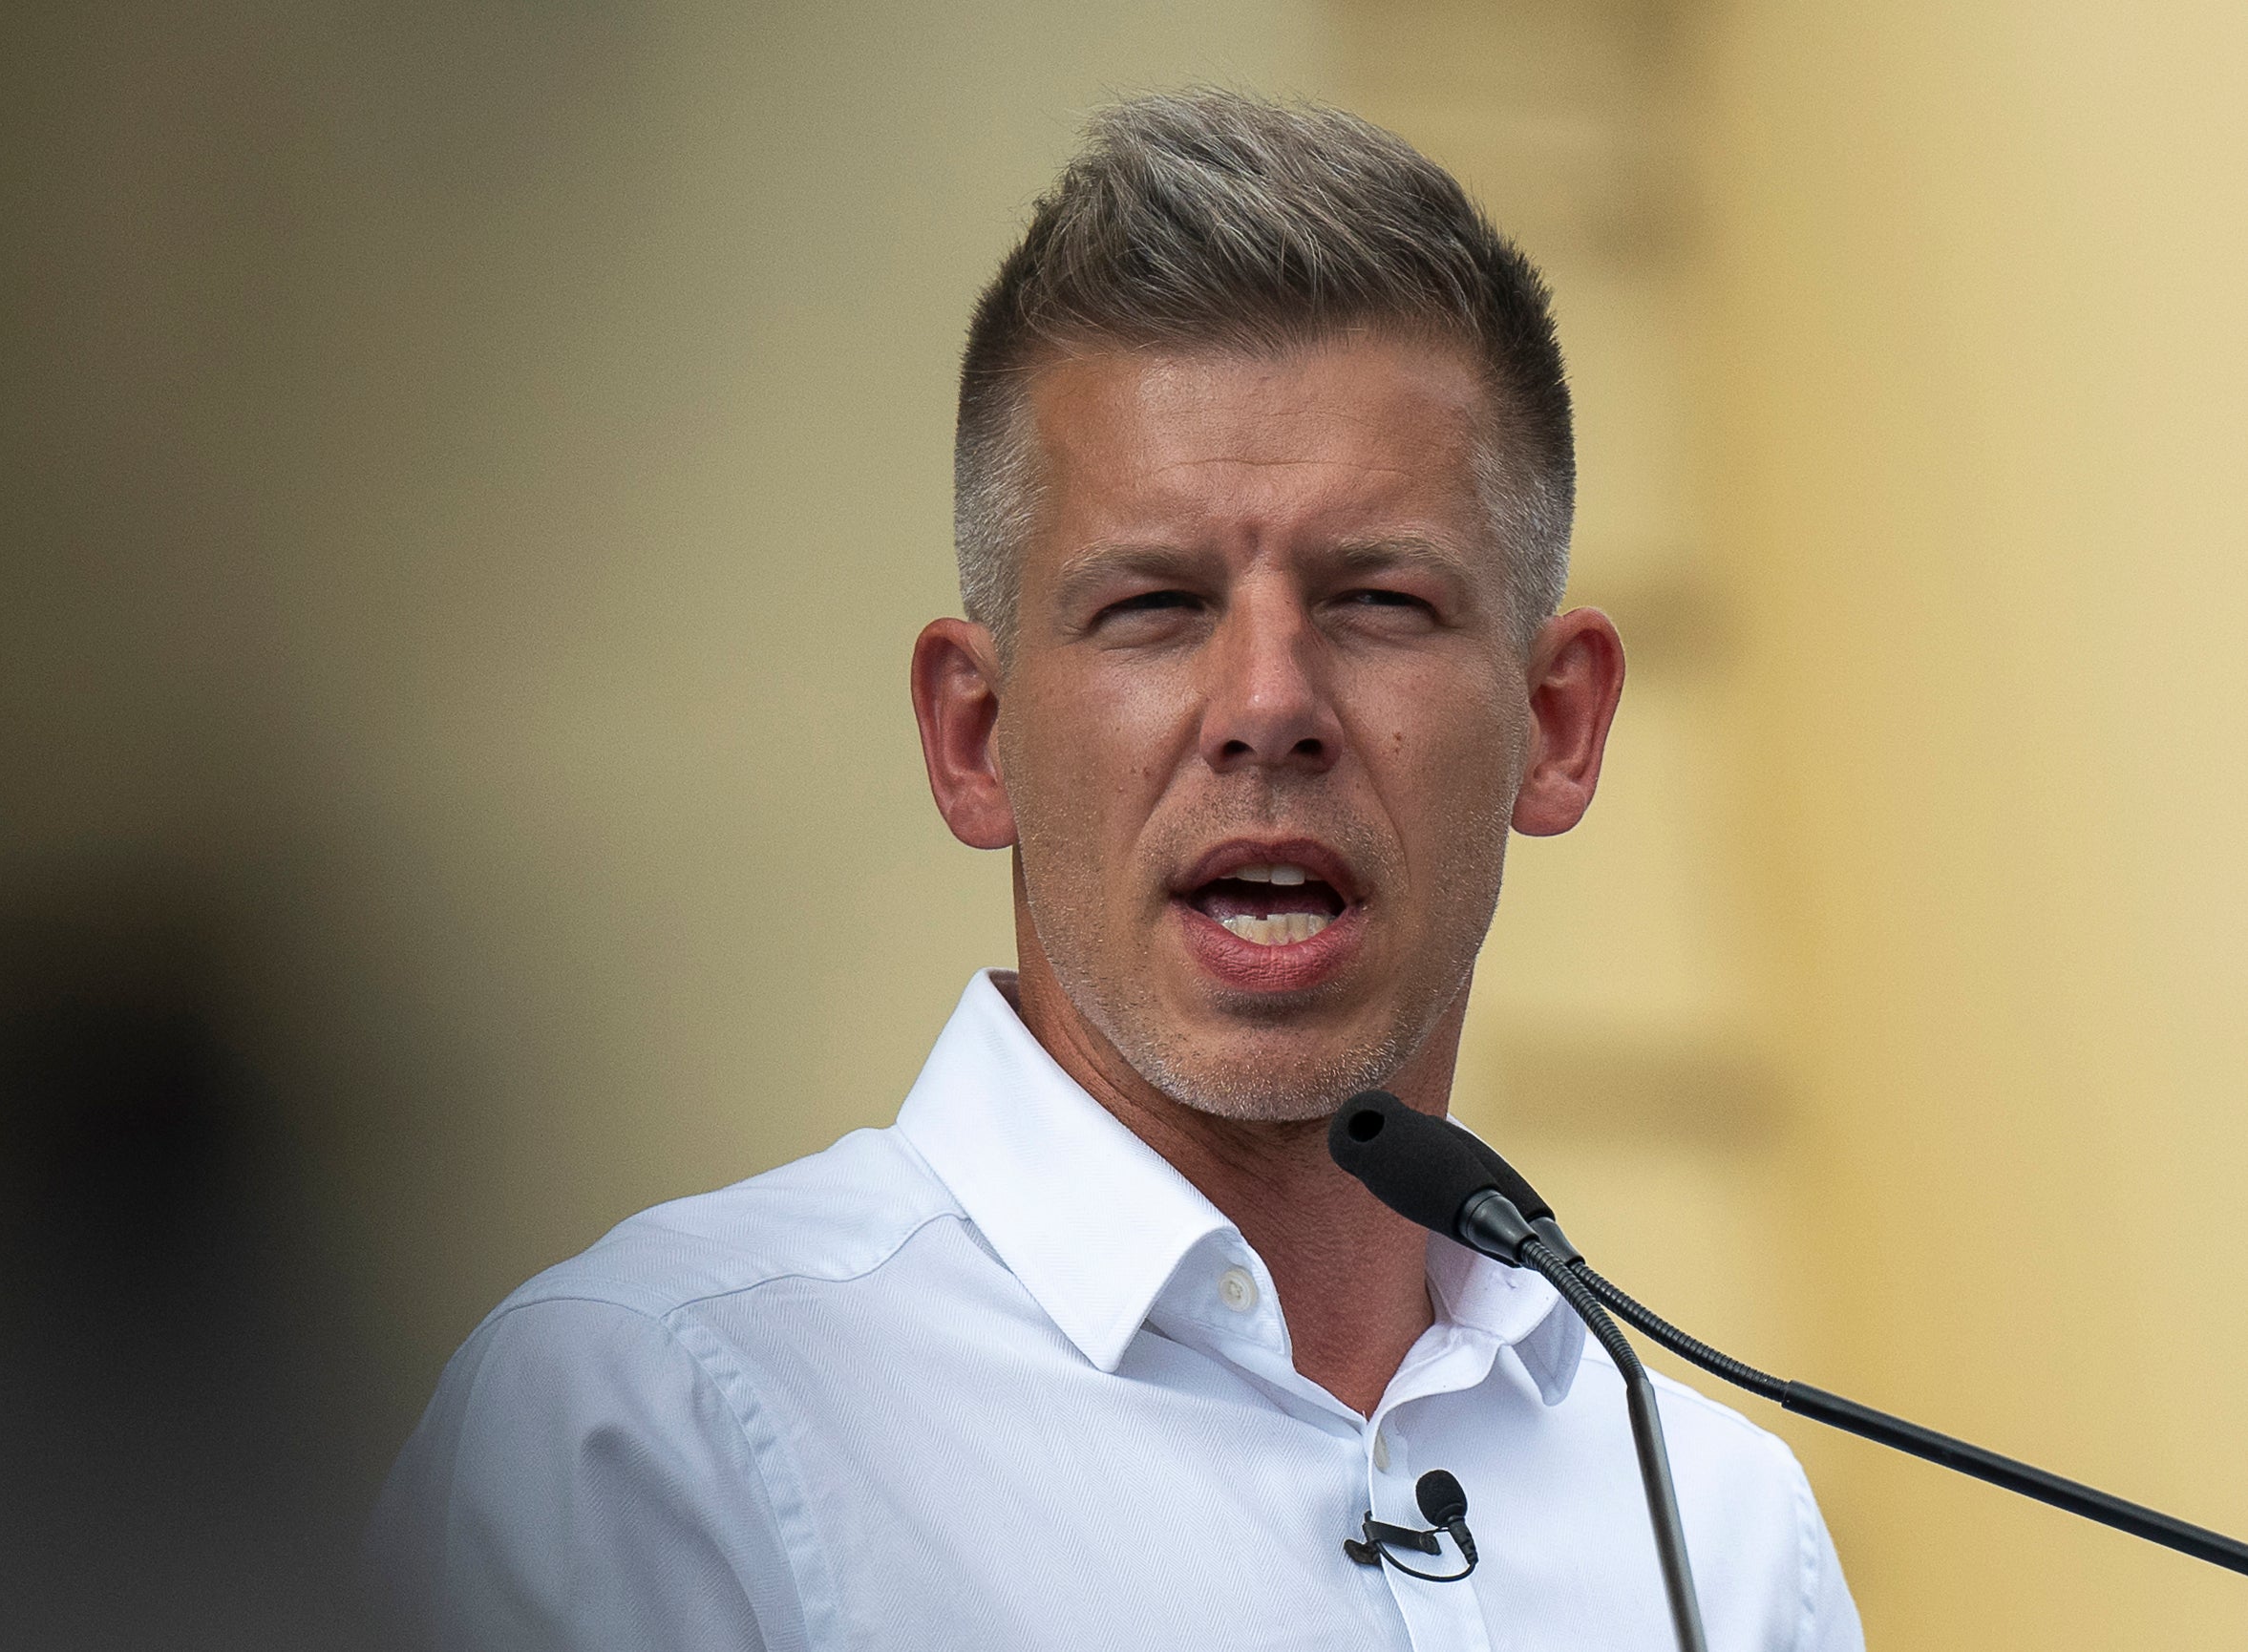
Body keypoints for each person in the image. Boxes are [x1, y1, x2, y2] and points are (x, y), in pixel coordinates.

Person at [369, 89, 1862, 1651]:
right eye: (1154, 604)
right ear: (976, 734)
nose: (1270, 705)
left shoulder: (1718, 1531)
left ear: (1558, 726)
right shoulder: (651, 1427)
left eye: (1378, 600)